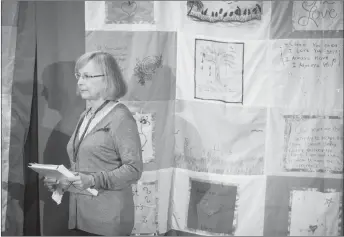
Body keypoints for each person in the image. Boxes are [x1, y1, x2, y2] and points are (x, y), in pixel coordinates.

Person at [44, 51, 143, 236]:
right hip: (80, 218)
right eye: (79, 76)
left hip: (107, 221)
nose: (80, 82)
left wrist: (93, 180)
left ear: (107, 79)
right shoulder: (86, 115)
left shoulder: (121, 118)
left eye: (87, 76)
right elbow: (85, 167)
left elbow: (134, 169)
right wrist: (63, 181)